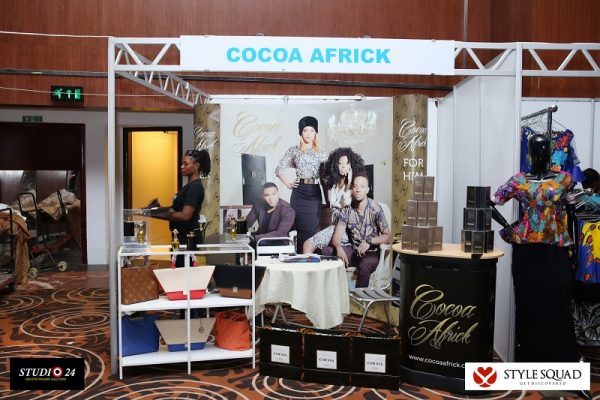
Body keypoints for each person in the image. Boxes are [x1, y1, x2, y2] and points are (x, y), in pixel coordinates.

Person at [491, 133, 580, 362]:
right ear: (530, 153)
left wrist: (576, 250)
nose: (541, 154)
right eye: (536, 149)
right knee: (528, 300)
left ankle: (562, 356)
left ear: (550, 152)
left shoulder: (565, 180)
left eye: (544, 149)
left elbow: (572, 215)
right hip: (527, 250)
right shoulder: (518, 180)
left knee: (559, 299)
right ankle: (530, 356)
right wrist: (508, 228)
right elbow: (489, 202)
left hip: (556, 248)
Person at [322, 174, 391, 288]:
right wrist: (338, 248)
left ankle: (359, 298)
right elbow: (336, 237)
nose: (358, 189)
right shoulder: (346, 211)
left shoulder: (375, 208)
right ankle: (332, 292)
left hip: (371, 253)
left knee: (364, 263)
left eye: (362, 187)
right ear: (352, 190)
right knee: (326, 251)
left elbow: (388, 237)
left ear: (367, 190)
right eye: (355, 186)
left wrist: (369, 241)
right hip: (354, 251)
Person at [276, 116, 329, 253]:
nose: (309, 134)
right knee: (300, 230)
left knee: (311, 230)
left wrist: (328, 200)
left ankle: (310, 258)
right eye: (305, 130)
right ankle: (300, 259)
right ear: (301, 132)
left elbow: (325, 178)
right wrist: (288, 184)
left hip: (314, 193)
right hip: (298, 195)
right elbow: (279, 169)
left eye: (312, 130)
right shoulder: (294, 150)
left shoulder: (322, 152)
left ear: (316, 132)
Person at [303, 147, 365, 254]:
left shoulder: (355, 186)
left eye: (346, 163)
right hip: (335, 226)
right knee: (307, 245)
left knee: (307, 245)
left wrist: (350, 182)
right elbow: (330, 203)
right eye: (340, 163)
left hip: (347, 228)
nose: (343, 166)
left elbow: (349, 204)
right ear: (335, 165)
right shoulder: (334, 185)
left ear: (351, 166)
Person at [168, 149, 210, 266]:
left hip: (188, 239)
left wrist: (165, 214)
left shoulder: (195, 187)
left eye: (185, 164)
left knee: (184, 273)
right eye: (181, 164)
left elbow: (185, 215)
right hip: (181, 237)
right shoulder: (190, 186)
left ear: (196, 165)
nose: (181, 166)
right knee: (180, 271)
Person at [246, 182, 295, 247]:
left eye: (274, 194)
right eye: (267, 195)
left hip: (278, 242)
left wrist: (254, 238)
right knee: (243, 245)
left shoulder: (287, 210)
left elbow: (279, 233)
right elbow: (248, 222)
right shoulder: (258, 205)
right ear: (263, 196)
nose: (271, 198)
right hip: (260, 240)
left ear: (278, 194)